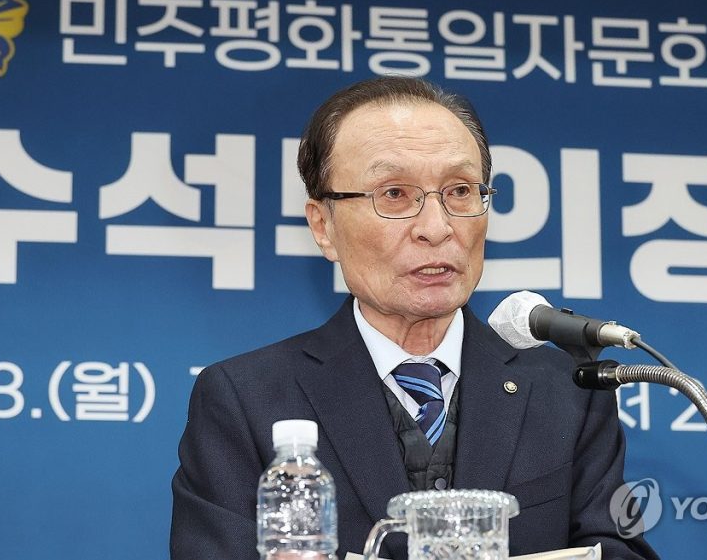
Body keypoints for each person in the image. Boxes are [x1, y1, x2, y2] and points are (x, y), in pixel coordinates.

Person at [170, 76, 658, 560]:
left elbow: (618, 551)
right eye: (394, 194)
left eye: (460, 190)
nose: (436, 227)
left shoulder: (568, 391)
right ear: (323, 226)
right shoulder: (247, 400)